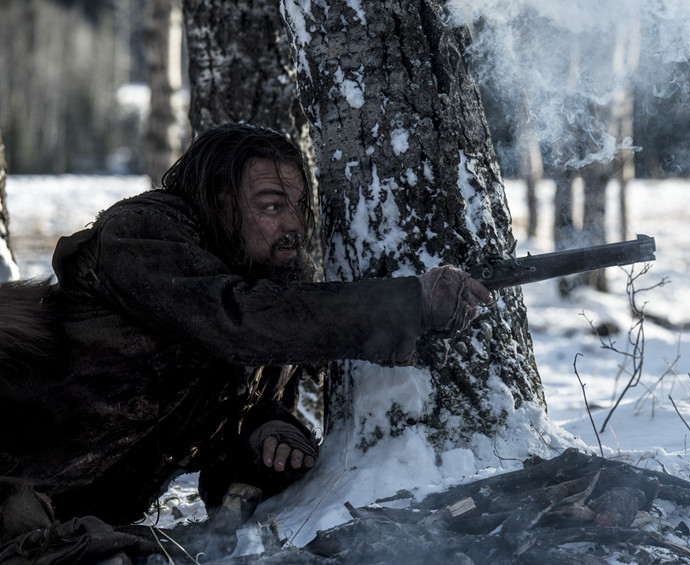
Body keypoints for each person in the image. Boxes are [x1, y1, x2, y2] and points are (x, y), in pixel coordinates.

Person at [0, 123, 491, 546]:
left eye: (299, 206)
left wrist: (268, 435)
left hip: (68, 514)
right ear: (221, 200)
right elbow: (233, 320)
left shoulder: (268, 295)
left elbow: (229, 427)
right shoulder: (141, 234)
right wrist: (404, 303)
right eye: (272, 205)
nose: (295, 224)